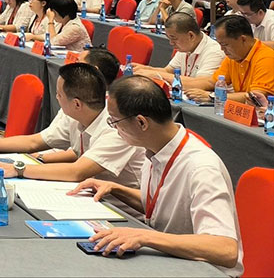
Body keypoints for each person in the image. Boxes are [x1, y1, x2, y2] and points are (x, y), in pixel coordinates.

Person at [68, 76, 241, 273]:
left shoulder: (201, 168)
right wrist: (115, 189)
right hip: (171, 261)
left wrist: (144, 236)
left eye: (114, 122)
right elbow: (161, 205)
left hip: (204, 270)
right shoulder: (155, 149)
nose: (115, 130)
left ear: (141, 122)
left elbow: (226, 249)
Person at [0, 59, 145, 187]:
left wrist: (18, 169)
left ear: (76, 104)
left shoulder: (117, 128)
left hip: (120, 209)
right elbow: (34, 141)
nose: (57, 98)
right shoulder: (74, 115)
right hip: (88, 192)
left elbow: (77, 172)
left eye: (59, 94)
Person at [186, 15, 274, 104]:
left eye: (225, 44)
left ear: (243, 39)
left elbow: (256, 97)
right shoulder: (234, 57)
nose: (222, 49)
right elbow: (212, 82)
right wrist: (181, 85)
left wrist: (212, 96)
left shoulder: (267, 58)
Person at [131, 12, 225, 88]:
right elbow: (168, 71)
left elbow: (200, 84)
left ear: (191, 36)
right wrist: (143, 69)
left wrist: (155, 74)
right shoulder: (186, 46)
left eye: (174, 38)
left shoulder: (214, 51)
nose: (171, 43)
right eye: (169, 38)